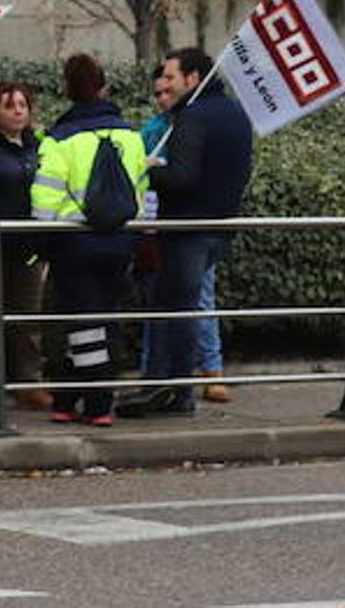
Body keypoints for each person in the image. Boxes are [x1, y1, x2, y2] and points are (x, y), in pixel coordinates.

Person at [119, 46, 253, 418]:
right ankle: (163, 387)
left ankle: (176, 393)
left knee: (176, 309)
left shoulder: (193, 117)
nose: (166, 83)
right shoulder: (236, 114)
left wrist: (147, 168)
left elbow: (182, 177)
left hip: (187, 229)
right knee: (176, 305)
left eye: (172, 77)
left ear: (193, 78)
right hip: (220, 227)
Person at [31, 54, 149, 426]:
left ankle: (97, 403)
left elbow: (45, 198)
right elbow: (143, 192)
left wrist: (41, 245)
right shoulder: (131, 137)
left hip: (73, 243)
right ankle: (68, 400)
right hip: (118, 241)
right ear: (104, 86)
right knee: (101, 321)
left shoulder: (58, 140)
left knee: (80, 325)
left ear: (66, 89)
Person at [0, 81, 51, 412]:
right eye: (10, 105)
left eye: (22, 104)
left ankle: (28, 382)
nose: (18, 111)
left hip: (29, 244)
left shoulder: (40, 147)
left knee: (28, 316)